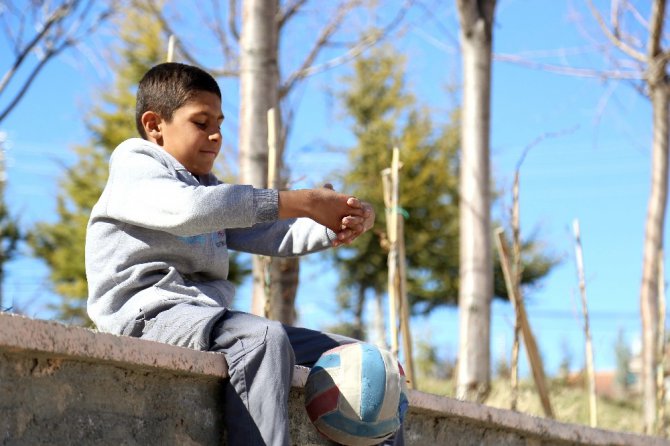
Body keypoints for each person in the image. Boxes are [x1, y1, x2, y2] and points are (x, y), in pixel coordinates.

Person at [85, 62, 402, 446]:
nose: (216, 136)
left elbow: (269, 232)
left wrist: (332, 222)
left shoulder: (204, 187)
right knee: (259, 338)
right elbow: (191, 211)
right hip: (146, 317)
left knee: (368, 363)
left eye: (219, 123)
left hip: (206, 320)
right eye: (201, 123)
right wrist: (299, 201)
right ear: (154, 126)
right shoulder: (135, 168)